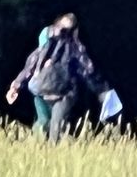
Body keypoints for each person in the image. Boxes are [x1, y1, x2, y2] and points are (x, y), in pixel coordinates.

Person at [6, 13, 110, 143]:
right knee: (45, 123)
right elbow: (30, 67)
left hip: (58, 93)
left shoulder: (70, 47)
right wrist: (15, 86)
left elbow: (87, 70)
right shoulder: (52, 43)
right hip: (45, 92)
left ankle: (46, 147)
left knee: (54, 126)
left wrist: (102, 91)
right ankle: (35, 147)